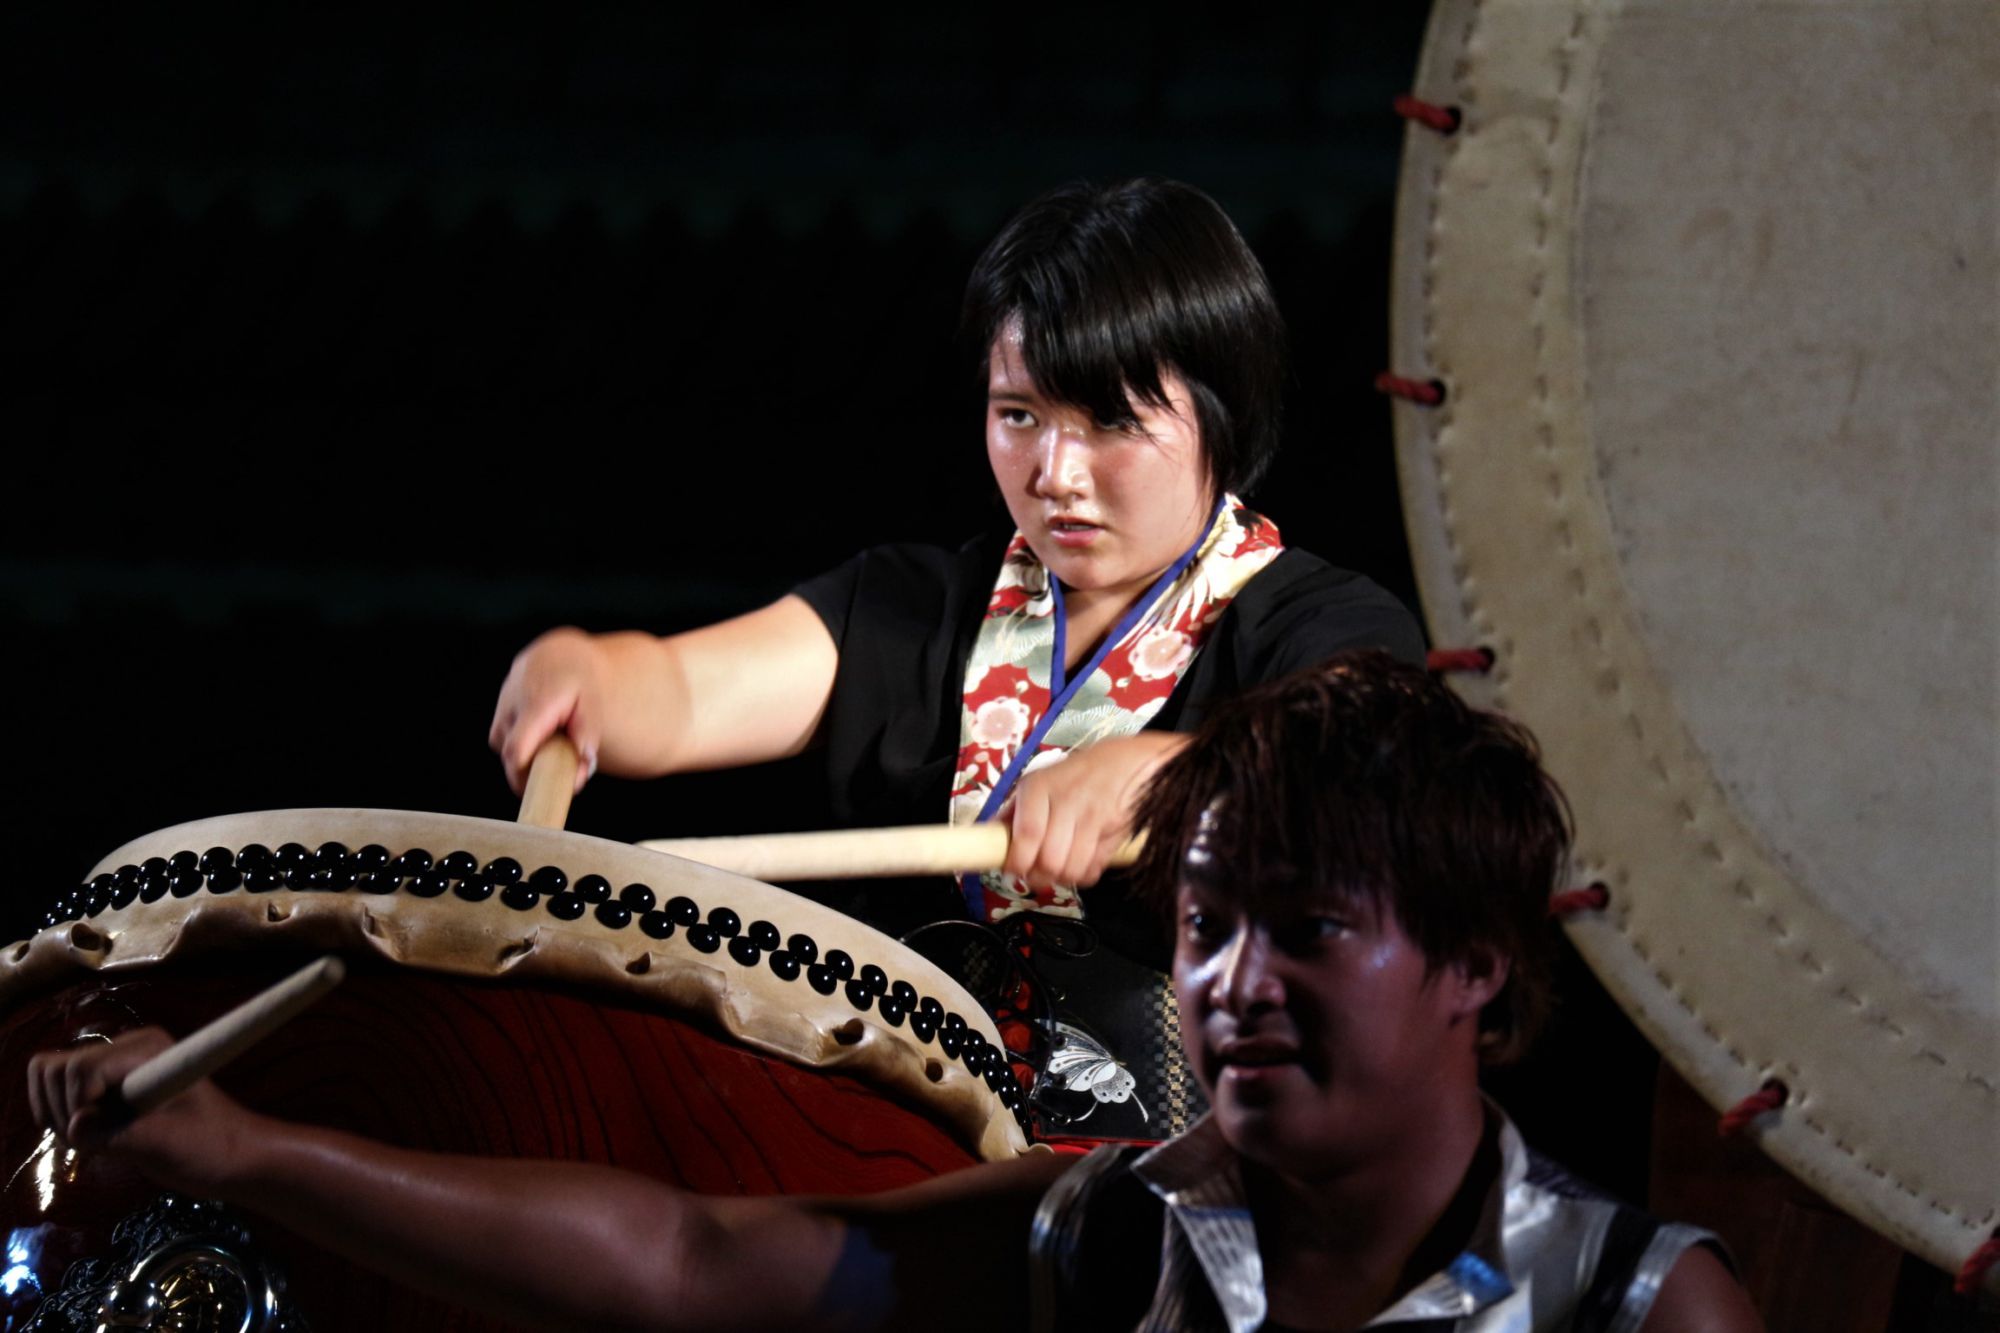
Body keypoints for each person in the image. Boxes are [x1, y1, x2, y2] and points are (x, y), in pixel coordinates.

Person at [29, 653, 1761, 1331]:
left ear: (1476, 961)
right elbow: (688, 1257)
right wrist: (250, 1151)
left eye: (1306, 929)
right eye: (1209, 924)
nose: (1232, 982)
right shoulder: (1113, 1236)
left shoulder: (1639, 1306)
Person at [489, 178, 1423, 1136]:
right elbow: (683, 692)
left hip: (1201, 1167)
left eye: (1111, 422)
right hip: (905, 1148)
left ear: (1223, 416)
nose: (1055, 474)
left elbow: (1367, 768)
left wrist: (1176, 771)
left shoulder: (1322, 622)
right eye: (1018, 414)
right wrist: (592, 674)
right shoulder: (913, 608)